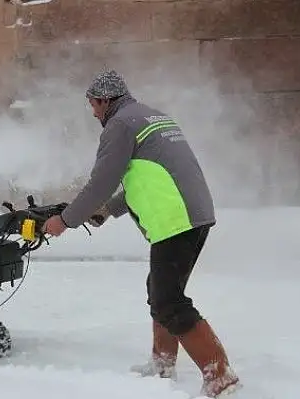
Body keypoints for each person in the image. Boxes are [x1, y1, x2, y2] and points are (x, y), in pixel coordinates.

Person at [42, 70, 241, 397]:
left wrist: (65, 220)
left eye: (93, 105)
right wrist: (108, 209)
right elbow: (146, 176)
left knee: (168, 300)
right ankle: (163, 364)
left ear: (106, 100)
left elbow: (101, 183)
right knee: (162, 291)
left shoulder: (119, 125)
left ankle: (220, 375)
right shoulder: (150, 116)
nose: (93, 112)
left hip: (175, 219)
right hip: (193, 214)